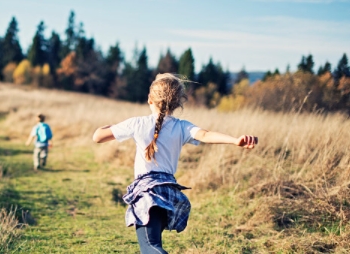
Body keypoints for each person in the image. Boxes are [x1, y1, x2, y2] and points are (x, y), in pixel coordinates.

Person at [92, 73, 258, 254]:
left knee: (150, 247)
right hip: (169, 193)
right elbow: (205, 135)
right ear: (178, 103)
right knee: (154, 245)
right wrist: (235, 140)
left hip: (149, 193)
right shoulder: (181, 126)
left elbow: (98, 137)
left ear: (150, 99)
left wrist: (111, 126)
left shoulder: (137, 123)